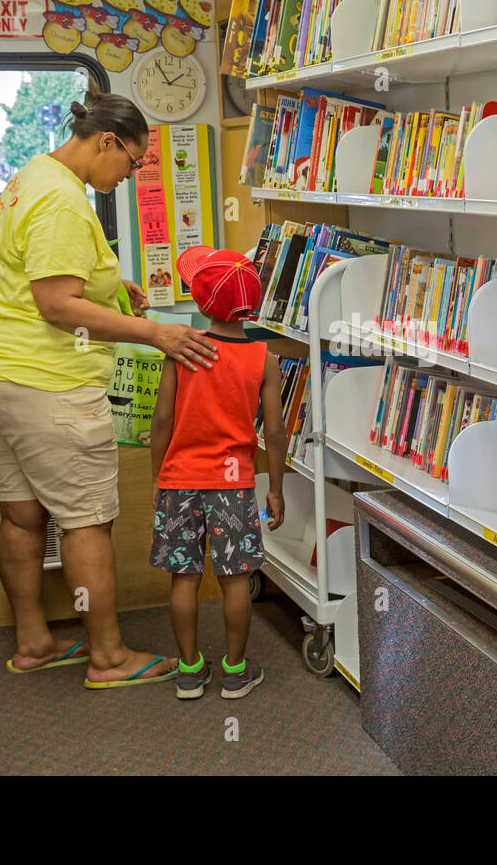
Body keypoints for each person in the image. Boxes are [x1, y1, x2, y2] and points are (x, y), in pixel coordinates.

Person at [0, 85, 218, 689]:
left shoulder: (34, 175)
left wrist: (110, 288)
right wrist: (154, 332)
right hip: (45, 381)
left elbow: (40, 276)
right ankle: (108, 657)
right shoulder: (66, 204)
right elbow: (54, 305)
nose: (130, 175)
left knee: (23, 515)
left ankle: (35, 642)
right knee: (86, 522)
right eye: (131, 161)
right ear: (106, 142)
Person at [149, 246, 286, 699]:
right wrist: (277, 490)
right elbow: (276, 431)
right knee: (235, 581)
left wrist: (159, 478)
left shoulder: (182, 351)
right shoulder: (264, 359)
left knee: (183, 579)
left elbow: (162, 422)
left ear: (202, 304)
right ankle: (234, 669)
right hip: (234, 485)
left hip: (180, 480)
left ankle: (189, 669)